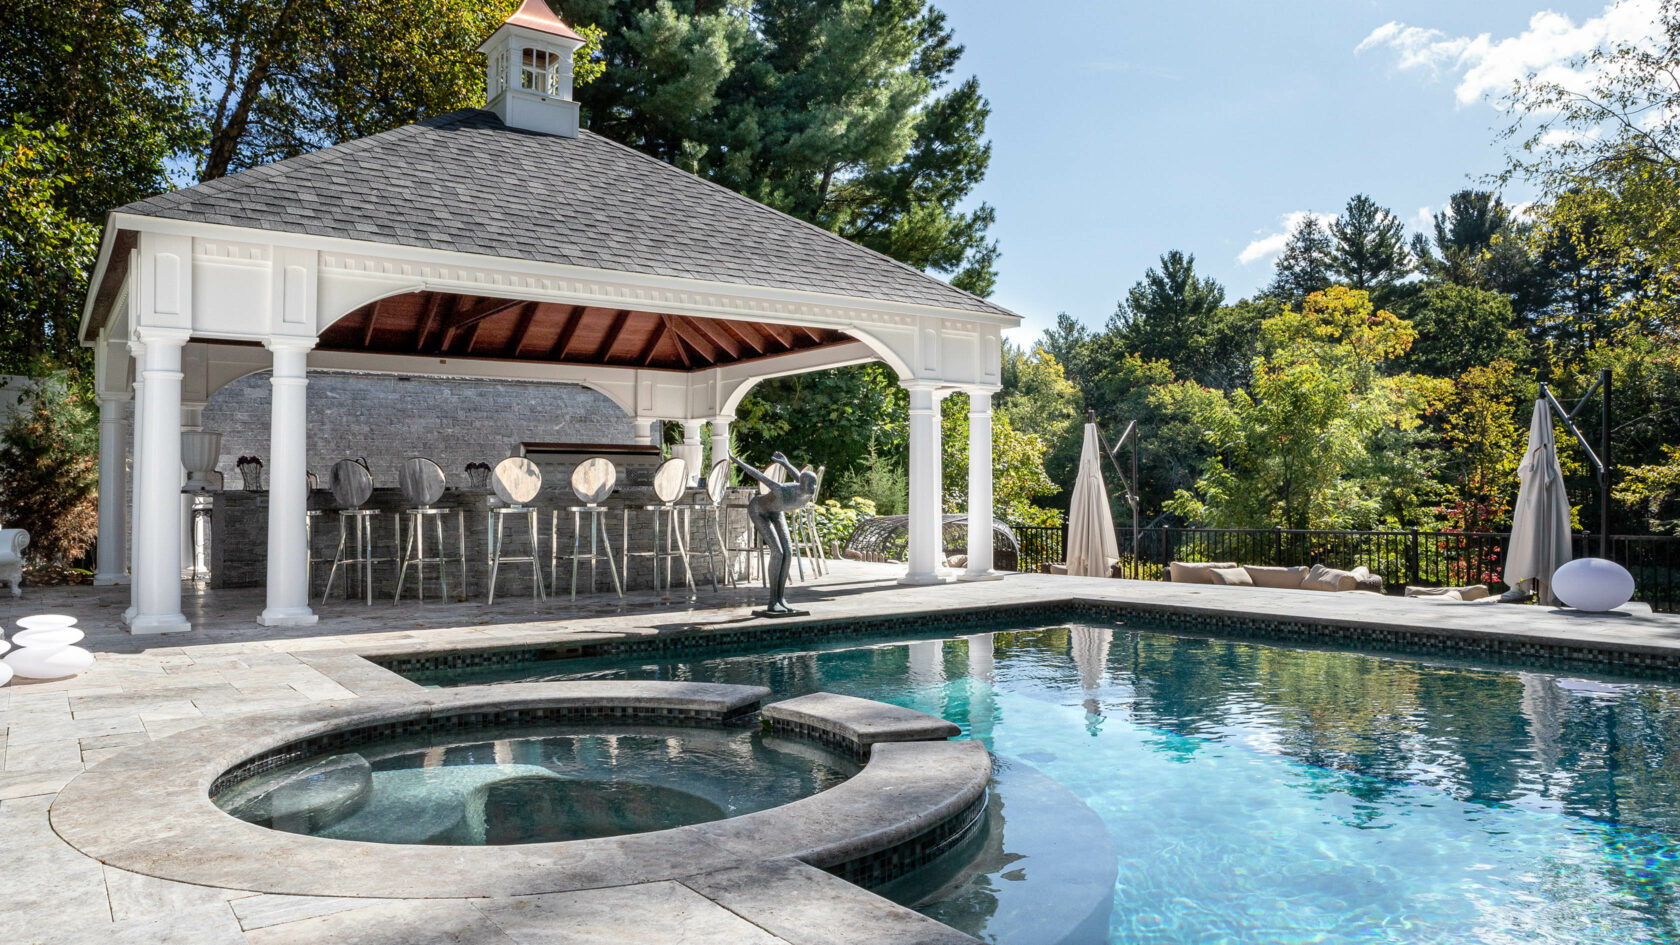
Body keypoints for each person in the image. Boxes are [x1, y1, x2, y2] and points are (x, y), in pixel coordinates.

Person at [730, 451, 818, 616]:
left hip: (777, 511)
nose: (813, 487)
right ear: (802, 484)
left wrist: (785, 463)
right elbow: (758, 475)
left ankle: (781, 599)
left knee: (788, 553)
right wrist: (737, 461)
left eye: (814, 483)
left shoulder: (806, 493)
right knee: (778, 552)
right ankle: (773, 601)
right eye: (810, 483)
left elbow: (798, 476)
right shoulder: (782, 490)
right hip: (759, 510)